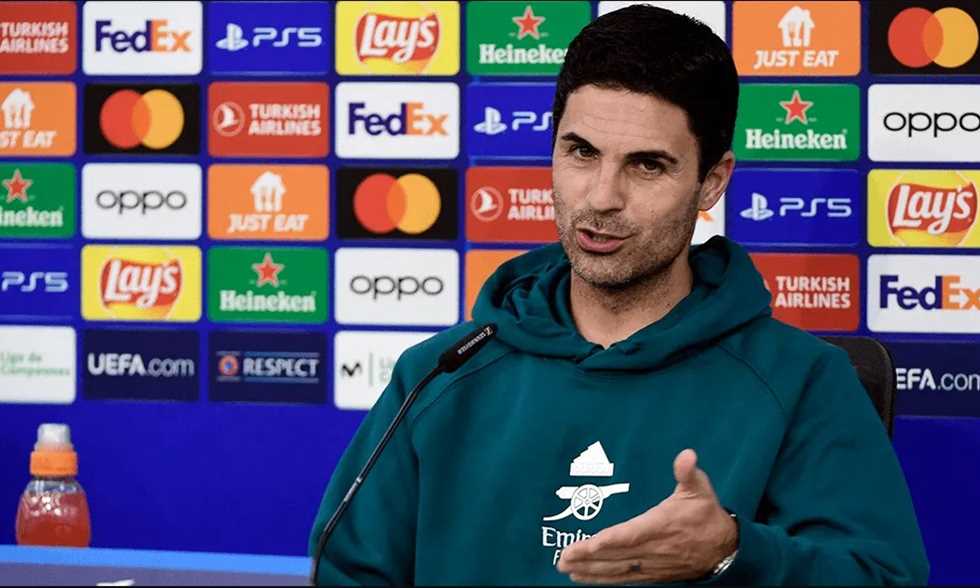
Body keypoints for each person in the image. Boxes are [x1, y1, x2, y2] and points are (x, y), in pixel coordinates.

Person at [310, 5, 929, 585]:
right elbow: (349, 571)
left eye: (647, 165)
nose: (602, 197)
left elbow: (881, 575)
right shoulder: (439, 373)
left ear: (712, 181)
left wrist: (732, 553)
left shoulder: (802, 381)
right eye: (581, 152)